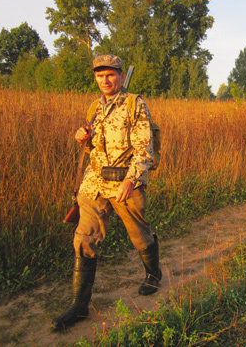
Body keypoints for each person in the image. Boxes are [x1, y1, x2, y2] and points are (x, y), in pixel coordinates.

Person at [52, 55, 161, 329]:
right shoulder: (95, 108)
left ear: (121, 75)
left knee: (139, 234)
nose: (105, 79)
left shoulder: (135, 104)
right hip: (94, 184)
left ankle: (153, 274)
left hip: (125, 183)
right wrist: (83, 139)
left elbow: (144, 149)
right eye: (100, 75)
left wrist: (132, 180)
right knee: (84, 237)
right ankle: (79, 306)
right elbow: (95, 148)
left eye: (110, 74)